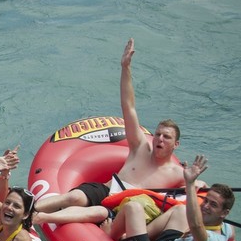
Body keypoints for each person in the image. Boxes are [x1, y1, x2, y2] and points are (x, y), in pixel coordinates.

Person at [34, 38, 186, 227]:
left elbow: (191, 197)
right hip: (107, 190)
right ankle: (29, 208)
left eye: (166, 137)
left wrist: (199, 184)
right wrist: (125, 67)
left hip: (128, 209)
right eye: (157, 134)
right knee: (74, 196)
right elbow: (128, 106)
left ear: (176, 144)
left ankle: (41, 218)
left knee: (97, 213)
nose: (159, 139)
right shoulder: (140, 146)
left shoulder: (178, 173)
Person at [115, 155, 234, 241]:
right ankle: (131, 236)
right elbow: (231, 233)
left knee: (133, 207)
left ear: (224, 213)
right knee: (180, 210)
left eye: (213, 205)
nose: (205, 206)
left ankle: (109, 236)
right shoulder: (225, 229)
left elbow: (196, 225)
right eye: (206, 200)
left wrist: (190, 184)